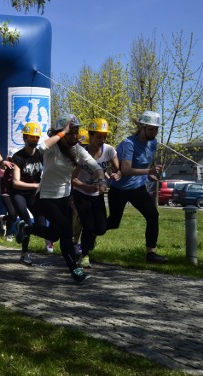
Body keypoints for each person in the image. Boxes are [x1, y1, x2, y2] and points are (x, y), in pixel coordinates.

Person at [17, 114, 106, 283]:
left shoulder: (78, 150)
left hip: (64, 198)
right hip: (46, 197)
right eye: (70, 133)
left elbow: (94, 166)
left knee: (55, 234)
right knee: (66, 230)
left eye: (75, 132)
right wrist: (61, 133)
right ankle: (75, 270)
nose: (74, 136)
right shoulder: (53, 148)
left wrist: (101, 179)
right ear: (61, 132)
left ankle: (26, 229)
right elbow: (41, 148)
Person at [106, 110, 168, 263]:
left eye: (157, 128)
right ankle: (90, 232)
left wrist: (148, 175)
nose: (155, 132)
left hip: (137, 188)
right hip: (119, 189)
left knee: (153, 216)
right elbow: (125, 170)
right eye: (152, 128)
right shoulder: (129, 144)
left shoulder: (153, 143)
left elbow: (143, 165)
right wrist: (148, 171)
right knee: (113, 223)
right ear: (142, 127)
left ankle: (151, 254)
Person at [71, 118, 120, 268]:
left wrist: (117, 175)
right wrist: (85, 187)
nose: (102, 140)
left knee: (101, 228)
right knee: (89, 226)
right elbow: (72, 178)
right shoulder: (81, 154)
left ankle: (87, 235)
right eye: (99, 136)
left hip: (97, 193)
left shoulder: (110, 150)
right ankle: (84, 256)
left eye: (105, 136)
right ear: (90, 136)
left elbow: (117, 169)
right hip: (81, 193)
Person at [11, 122, 46, 265]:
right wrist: (36, 184)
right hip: (19, 193)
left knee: (42, 225)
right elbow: (16, 182)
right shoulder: (18, 157)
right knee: (26, 219)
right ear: (25, 137)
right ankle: (25, 253)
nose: (35, 140)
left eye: (37, 138)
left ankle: (22, 228)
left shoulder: (41, 155)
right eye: (32, 137)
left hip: (34, 194)